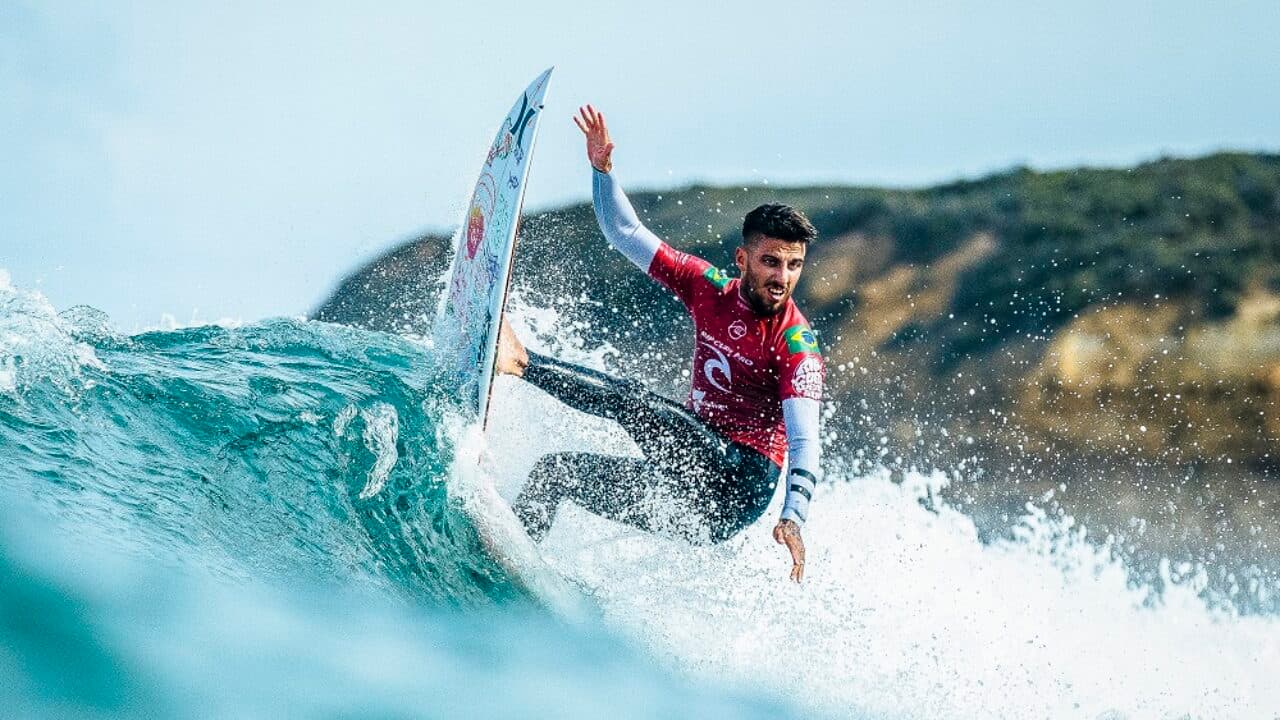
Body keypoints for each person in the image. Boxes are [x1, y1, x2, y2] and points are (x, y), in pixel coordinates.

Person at [496, 105, 824, 582]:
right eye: (771, 261)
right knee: (556, 474)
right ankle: (509, 578)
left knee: (634, 402)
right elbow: (626, 233)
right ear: (742, 259)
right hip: (688, 475)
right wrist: (602, 172)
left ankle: (521, 362)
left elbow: (804, 440)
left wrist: (793, 517)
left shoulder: (796, 346)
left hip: (737, 484)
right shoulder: (708, 288)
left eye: (793, 265)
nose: (783, 277)